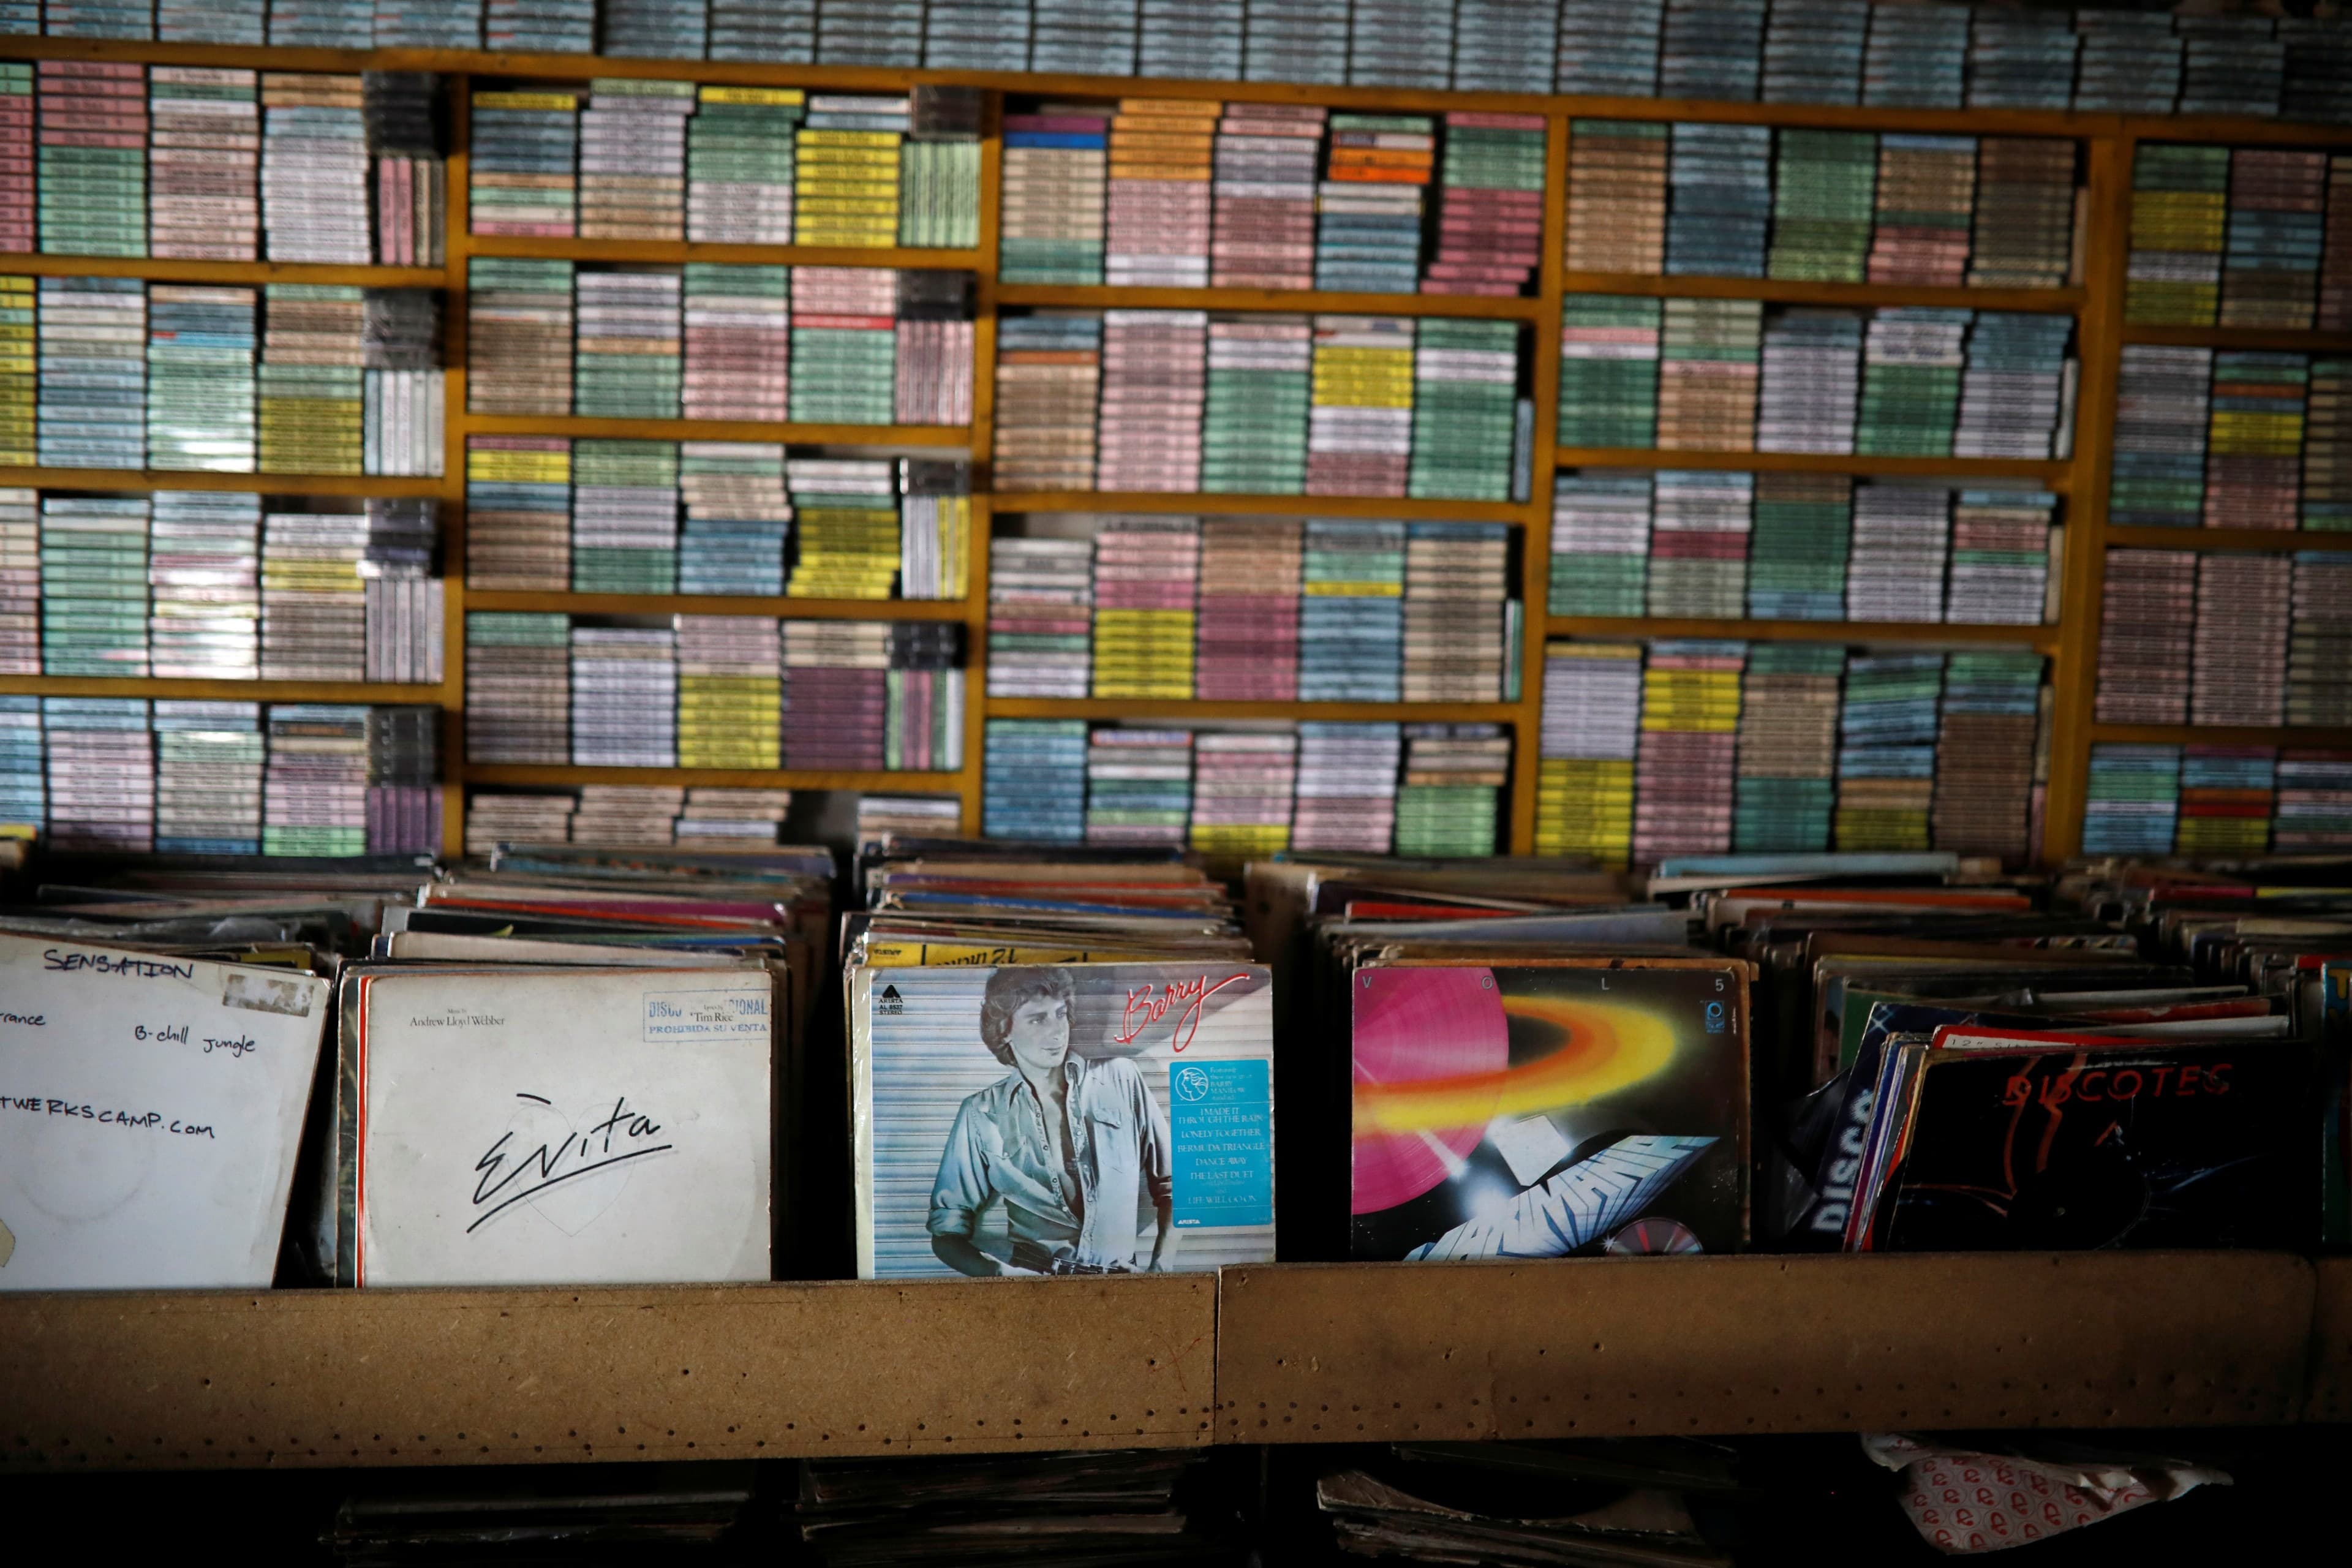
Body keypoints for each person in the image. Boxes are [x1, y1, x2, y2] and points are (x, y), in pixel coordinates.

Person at [928, 966, 1178, 1276]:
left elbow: (1176, 1188)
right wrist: (1005, 1277)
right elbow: (947, 1234)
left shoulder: (1121, 1078)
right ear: (1004, 1030)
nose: (1058, 1032)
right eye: (1038, 1019)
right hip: (1032, 1291)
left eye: (1061, 1014)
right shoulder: (980, 1113)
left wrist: (1161, 1272)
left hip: (1123, 1288)